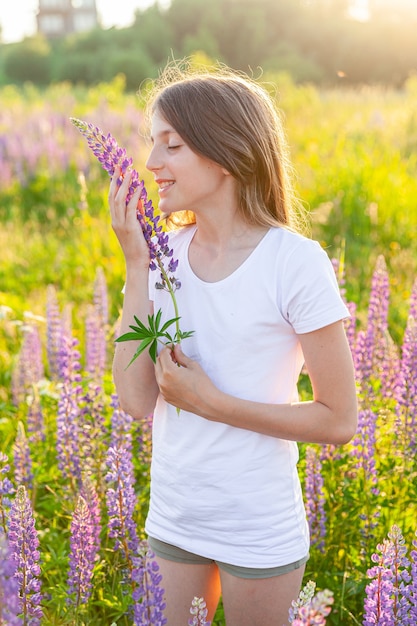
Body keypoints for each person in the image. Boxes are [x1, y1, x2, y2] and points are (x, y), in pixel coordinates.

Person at [109, 64, 358, 626]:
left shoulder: (293, 263)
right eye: (152, 143)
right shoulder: (164, 256)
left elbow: (339, 419)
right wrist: (135, 263)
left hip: (258, 525)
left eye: (170, 144)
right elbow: (135, 400)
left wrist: (211, 403)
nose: (151, 164)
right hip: (175, 514)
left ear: (224, 152)